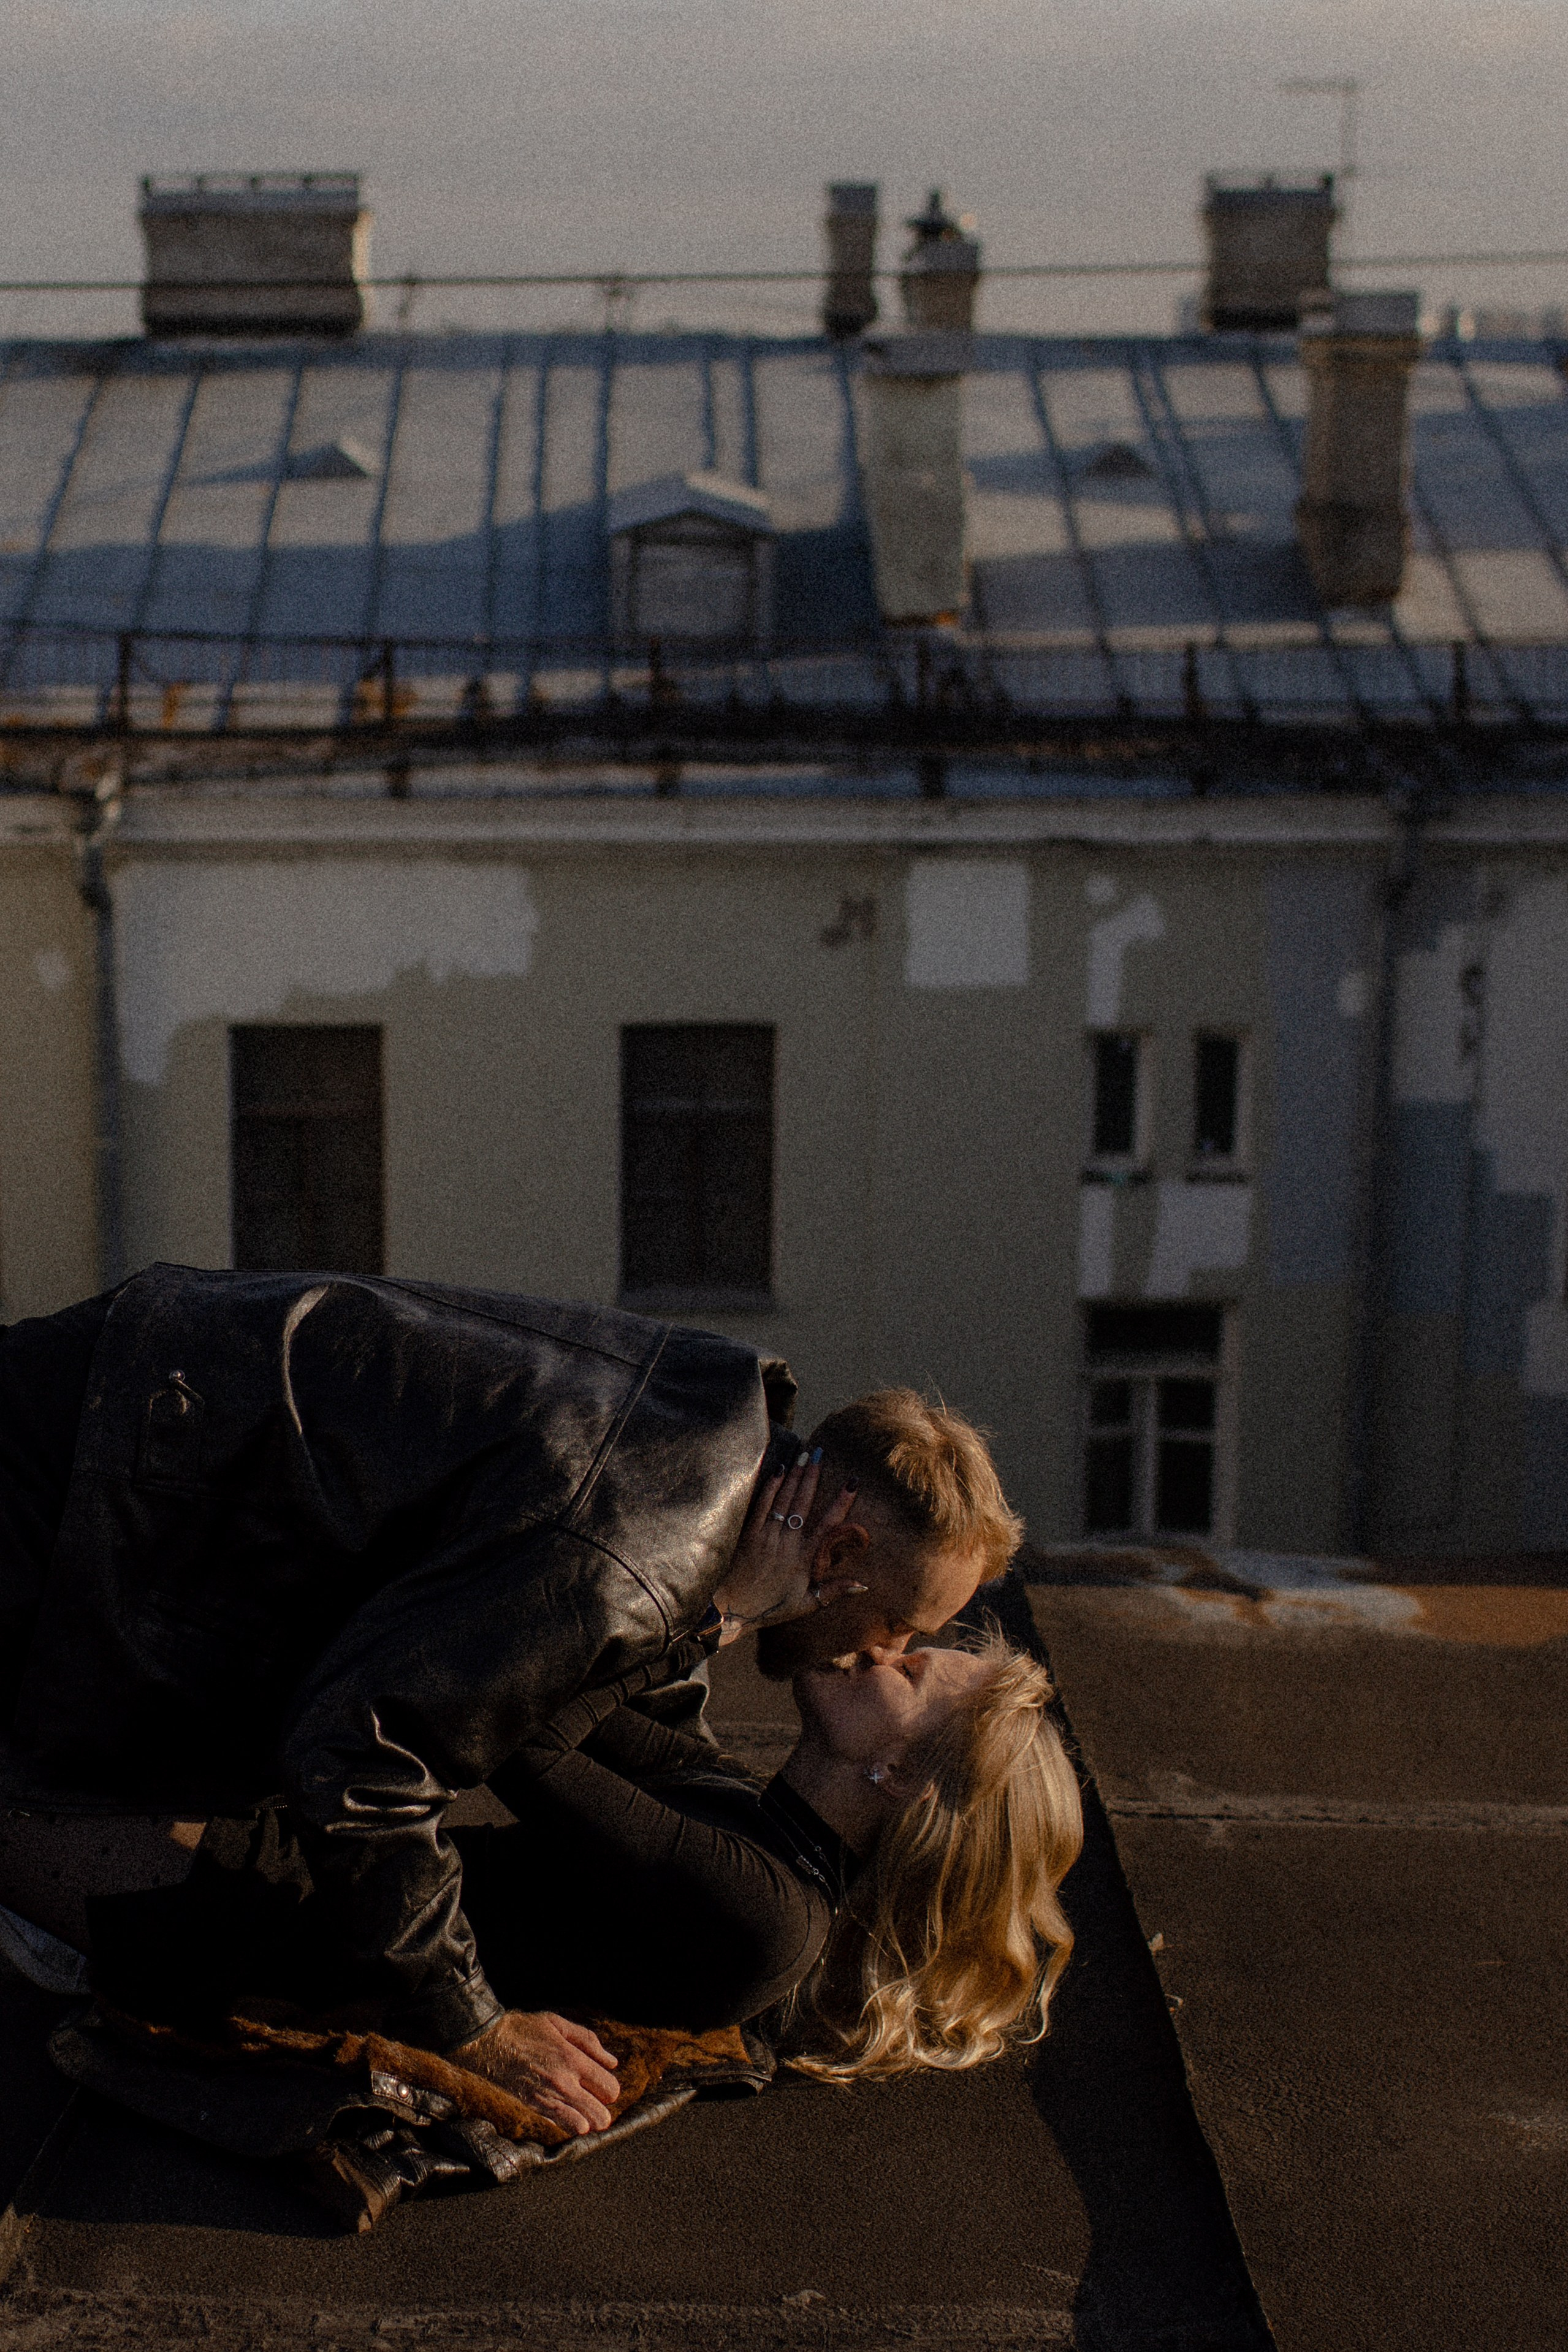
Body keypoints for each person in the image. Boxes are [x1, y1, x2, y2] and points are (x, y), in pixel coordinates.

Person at [0, 1269, 1018, 2128]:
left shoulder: (714, 1434)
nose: (882, 1649)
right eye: (906, 1629)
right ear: (836, 1552)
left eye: (912, 1651)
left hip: (150, 1404)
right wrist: (472, 2024)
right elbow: (375, 1751)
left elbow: (604, 1705)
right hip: (114, 1452)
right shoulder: (645, 1548)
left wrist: (713, 1623)